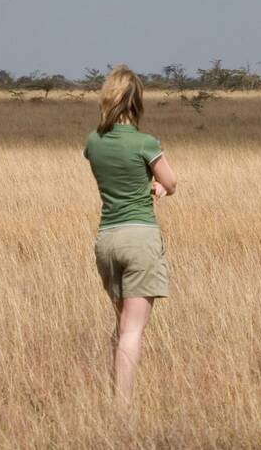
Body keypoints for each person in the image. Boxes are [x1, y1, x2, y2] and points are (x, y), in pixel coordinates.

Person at [83, 65, 177, 407]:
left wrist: (143, 184)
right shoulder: (145, 142)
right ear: (135, 101)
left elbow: (116, 177)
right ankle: (122, 409)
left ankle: (114, 398)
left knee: (121, 325)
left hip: (106, 239)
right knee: (133, 331)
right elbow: (171, 182)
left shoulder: (93, 142)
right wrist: (156, 187)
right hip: (139, 238)